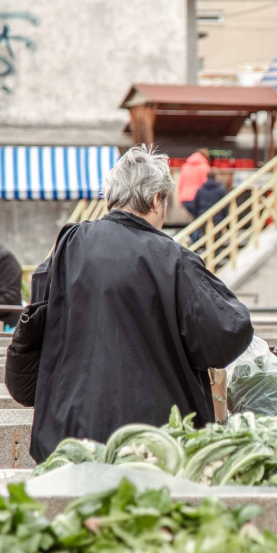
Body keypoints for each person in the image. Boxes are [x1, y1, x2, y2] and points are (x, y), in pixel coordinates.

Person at [30, 146, 253, 462]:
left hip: (69, 437)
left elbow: (39, 302)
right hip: (154, 442)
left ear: (111, 199)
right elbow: (228, 333)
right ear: (155, 201)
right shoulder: (173, 259)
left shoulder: (69, 245)